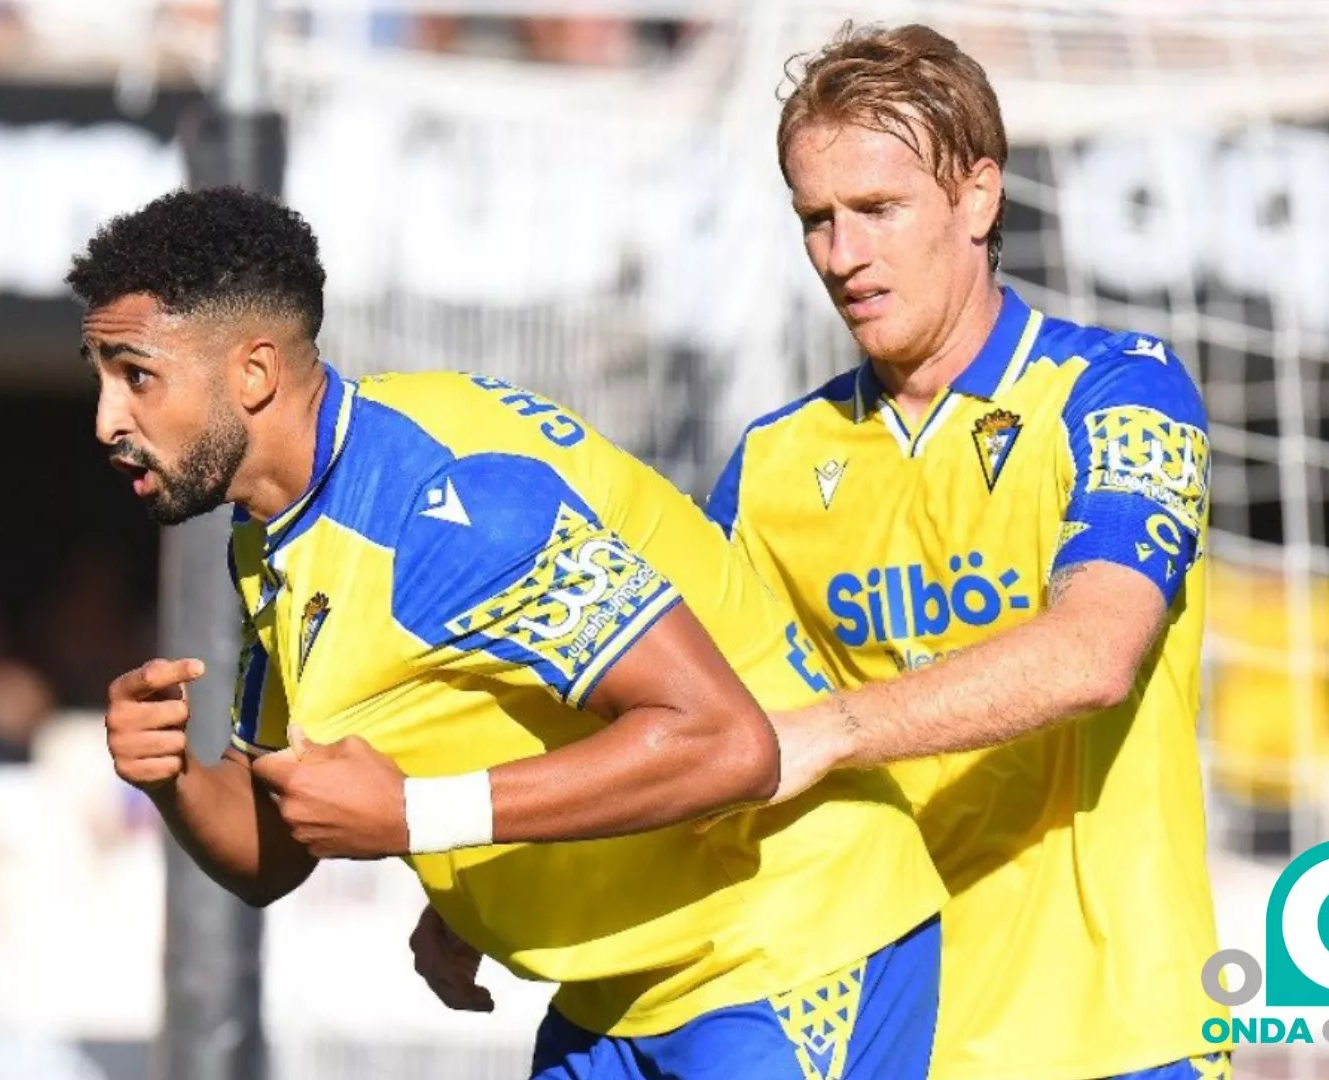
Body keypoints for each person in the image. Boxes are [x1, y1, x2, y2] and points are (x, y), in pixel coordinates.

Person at [413, 22, 1231, 1080]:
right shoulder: (772, 462)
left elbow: (1093, 653)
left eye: (879, 212)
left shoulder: (1117, 392)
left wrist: (827, 731)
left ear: (980, 197)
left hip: (1105, 1032)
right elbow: (662, 700)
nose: (844, 257)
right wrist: (492, 882)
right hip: (869, 1022)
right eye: (817, 221)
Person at [71, 186, 948, 1080]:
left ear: (253, 374)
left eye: (136, 375)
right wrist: (174, 776)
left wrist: (419, 816)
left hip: (784, 949)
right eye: (99, 374)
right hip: (619, 990)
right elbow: (277, 842)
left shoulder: (454, 505)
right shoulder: (274, 536)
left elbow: (729, 744)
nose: (106, 420)